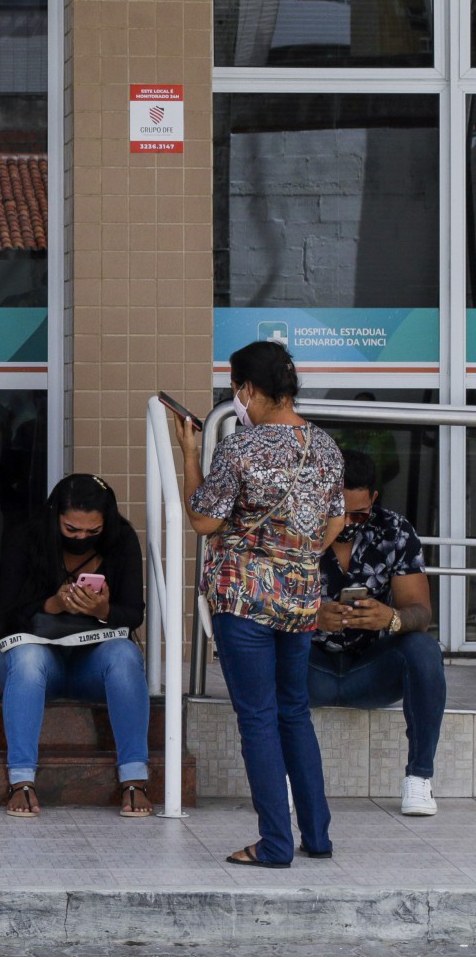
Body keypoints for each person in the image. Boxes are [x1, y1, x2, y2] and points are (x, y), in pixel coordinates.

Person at [177, 339, 344, 868]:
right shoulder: (325, 446)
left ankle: (274, 844)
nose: (236, 399)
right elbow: (336, 521)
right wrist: (294, 558)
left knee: (258, 718)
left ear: (248, 389)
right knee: (294, 711)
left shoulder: (240, 448)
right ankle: (316, 836)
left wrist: (188, 453)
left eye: (236, 389)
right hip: (298, 598)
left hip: (244, 596)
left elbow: (204, 518)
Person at [0, 474, 151, 817]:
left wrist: (103, 610)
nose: (81, 538)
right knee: (30, 659)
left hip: (89, 666)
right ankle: (21, 780)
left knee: (125, 655)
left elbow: (133, 613)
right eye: (71, 530)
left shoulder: (120, 540)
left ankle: (134, 779)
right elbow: (5, 614)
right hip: (33, 663)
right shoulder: (26, 538)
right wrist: (54, 605)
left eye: (92, 532)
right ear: (54, 517)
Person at [310, 448, 445, 817]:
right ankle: (286, 779)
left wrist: (390, 618)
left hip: (368, 670)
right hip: (309, 666)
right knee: (268, 645)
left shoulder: (394, 530)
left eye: (359, 513)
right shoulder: (301, 528)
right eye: (340, 512)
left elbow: (420, 611)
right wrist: (311, 617)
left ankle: (419, 778)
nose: (349, 522)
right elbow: (267, 606)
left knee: (424, 649)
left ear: (373, 498)